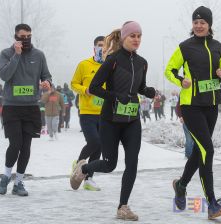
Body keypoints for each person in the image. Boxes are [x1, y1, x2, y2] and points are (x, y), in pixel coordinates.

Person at [70, 21, 156, 221]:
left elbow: (140, 87)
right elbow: (95, 87)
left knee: (132, 163)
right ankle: (83, 168)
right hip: (110, 119)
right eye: (132, 36)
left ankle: (123, 207)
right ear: (124, 38)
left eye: (139, 36)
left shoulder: (142, 62)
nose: (136, 39)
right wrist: (117, 96)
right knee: (109, 164)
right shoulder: (113, 60)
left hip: (132, 120)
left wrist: (148, 91)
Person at [165, 6, 221, 219]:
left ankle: (181, 186)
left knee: (199, 151)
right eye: (196, 22)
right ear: (192, 25)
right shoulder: (185, 47)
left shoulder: (218, 46)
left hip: (211, 105)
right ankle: (212, 204)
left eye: (203, 22)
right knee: (207, 151)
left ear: (209, 25)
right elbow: (169, 70)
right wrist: (180, 80)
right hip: (191, 105)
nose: (199, 25)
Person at [0, 23, 52, 197]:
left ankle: (18, 182)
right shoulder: (6, 53)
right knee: (15, 143)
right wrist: (16, 56)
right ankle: (6, 176)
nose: (26, 39)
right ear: (16, 37)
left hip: (31, 107)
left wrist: (47, 83)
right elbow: (4, 75)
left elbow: (47, 75)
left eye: (28, 36)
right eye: (22, 37)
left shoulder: (39, 55)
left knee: (26, 147)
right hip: (11, 106)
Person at [70, 35, 106, 191]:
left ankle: (89, 179)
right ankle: (79, 163)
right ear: (94, 48)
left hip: (104, 113)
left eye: (105, 46)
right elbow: (73, 84)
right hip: (87, 112)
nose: (102, 49)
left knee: (100, 146)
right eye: (99, 45)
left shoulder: (111, 66)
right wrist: (85, 90)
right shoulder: (84, 65)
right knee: (94, 141)